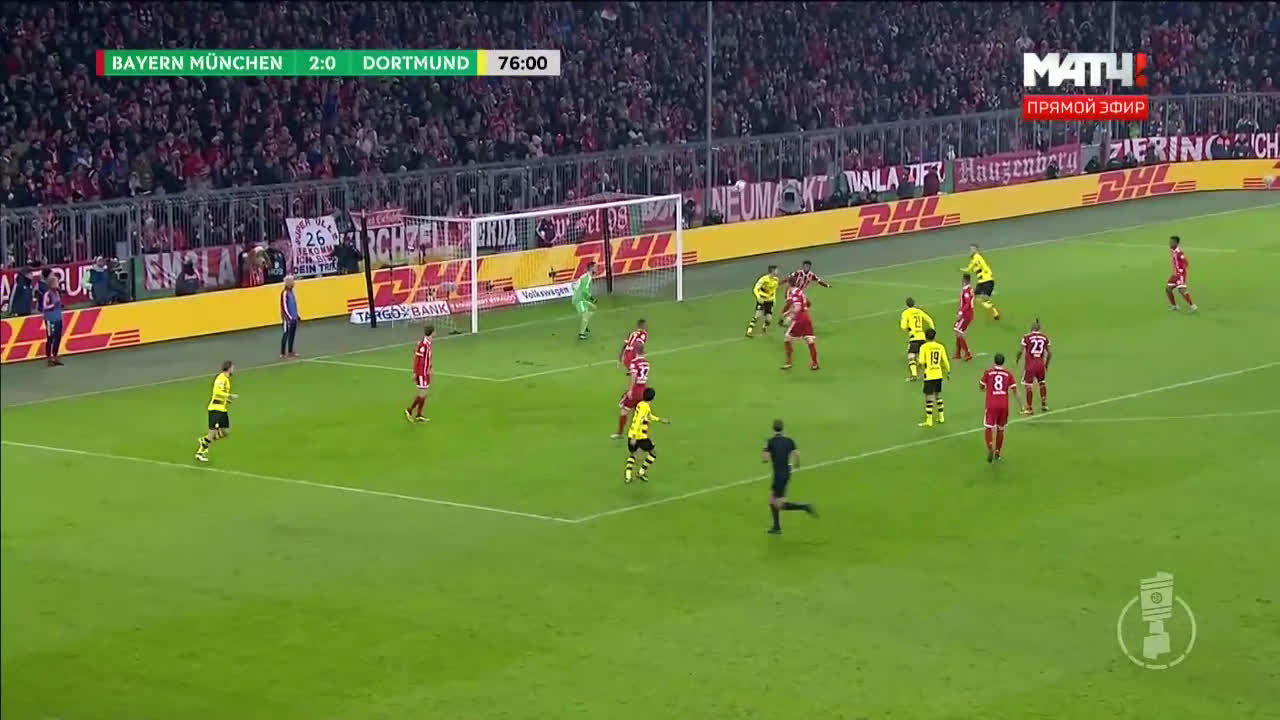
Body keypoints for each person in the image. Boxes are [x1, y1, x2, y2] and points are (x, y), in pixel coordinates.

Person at [763, 419, 816, 535]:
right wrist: (797, 464)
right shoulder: (789, 441)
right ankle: (776, 527)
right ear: (782, 428)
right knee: (771, 501)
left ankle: (804, 506)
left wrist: (765, 449)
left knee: (779, 504)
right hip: (786, 472)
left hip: (779, 476)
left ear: (773, 428)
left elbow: (765, 459)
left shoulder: (770, 441)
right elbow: (797, 453)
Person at [980, 353, 1022, 462]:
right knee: (1001, 429)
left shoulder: (988, 373)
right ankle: (998, 452)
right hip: (1004, 405)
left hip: (991, 404)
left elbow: (981, 386)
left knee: (988, 427)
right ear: (1003, 362)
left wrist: (986, 389)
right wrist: (1021, 405)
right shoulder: (1008, 374)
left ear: (994, 361)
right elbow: (1015, 391)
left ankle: (990, 446)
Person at [624, 387, 669, 483]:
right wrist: (634, 437)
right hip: (640, 436)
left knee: (633, 454)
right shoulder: (645, 407)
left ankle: (628, 476)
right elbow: (638, 420)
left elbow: (648, 416)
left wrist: (660, 420)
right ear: (653, 398)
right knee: (653, 453)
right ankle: (640, 473)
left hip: (631, 433)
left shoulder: (641, 404)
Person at [196, 361, 236, 462]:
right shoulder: (221, 378)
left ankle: (204, 440)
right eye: (232, 368)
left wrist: (227, 400)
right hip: (215, 409)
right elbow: (217, 392)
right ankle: (200, 453)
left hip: (222, 409)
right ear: (229, 368)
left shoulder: (226, 379)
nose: (233, 370)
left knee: (225, 432)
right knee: (212, 432)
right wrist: (229, 395)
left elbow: (221, 393)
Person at [780, 279, 819, 370]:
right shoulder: (800, 292)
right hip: (806, 317)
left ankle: (789, 362)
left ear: (788, 284)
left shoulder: (794, 294)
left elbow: (797, 307)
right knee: (809, 339)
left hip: (799, 319)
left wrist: (789, 316)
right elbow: (808, 303)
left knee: (787, 338)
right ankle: (815, 363)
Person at [613, 342, 650, 439]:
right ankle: (637, 432)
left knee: (624, 409)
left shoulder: (634, 363)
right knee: (638, 411)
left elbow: (634, 376)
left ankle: (620, 433)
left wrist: (630, 390)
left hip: (635, 390)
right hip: (644, 390)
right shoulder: (646, 363)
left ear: (635, 350)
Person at [1016, 319, 1052, 414]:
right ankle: (1044, 404)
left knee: (1028, 386)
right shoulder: (1045, 337)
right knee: (1042, 383)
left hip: (1030, 365)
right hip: (1040, 364)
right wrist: (1046, 364)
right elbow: (1050, 353)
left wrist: (1017, 358)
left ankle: (1029, 408)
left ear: (1031, 328)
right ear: (1039, 329)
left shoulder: (1026, 337)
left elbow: (1020, 351)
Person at [917, 328, 950, 427]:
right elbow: (945, 360)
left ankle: (929, 420)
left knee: (929, 397)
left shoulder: (924, 347)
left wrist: (919, 365)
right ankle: (941, 417)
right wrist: (948, 371)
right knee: (938, 395)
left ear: (925, 337)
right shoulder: (940, 346)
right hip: (938, 374)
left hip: (929, 374)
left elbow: (921, 361)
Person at [900, 297, 935, 381]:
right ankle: (928, 372)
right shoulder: (919, 311)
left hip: (914, 337)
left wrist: (908, 328)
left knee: (911, 356)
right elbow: (929, 319)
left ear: (906, 305)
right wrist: (932, 329)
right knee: (920, 355)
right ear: (914, 304)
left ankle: (914, 375)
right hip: (922, 337)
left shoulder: (906, 313)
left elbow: (903, 326)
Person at [962, 244, 1000, 320]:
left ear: (976, 250)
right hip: (981, 282)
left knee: (983, 300)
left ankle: (995, 312)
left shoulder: (977, 256)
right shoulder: (975, 260)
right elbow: (974, 268)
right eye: (970, 249)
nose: (971, 251)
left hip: (987, 281)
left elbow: (971, 266)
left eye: (973, 249)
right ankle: (968, 312)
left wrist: (966, 269)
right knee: (975, 297)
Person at [406, 324, 434, 423]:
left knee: (424, 394)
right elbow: (417, 359)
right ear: (433, 333)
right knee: (422, 394)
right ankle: (409, 411)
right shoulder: (423, 345)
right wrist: (415, 373)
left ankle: (419, 414)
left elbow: (427, 358)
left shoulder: (428, 343)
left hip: (426, 372)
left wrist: (430, 367)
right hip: (421, 373)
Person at [39, 269, 65, 366]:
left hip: (58, 318)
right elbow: (45, 306)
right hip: (50, 319)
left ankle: (55, 356)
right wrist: (54, 304)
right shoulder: (48, 294)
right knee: (50, 338)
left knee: (58, 337)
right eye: (56, 282)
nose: (58, 284)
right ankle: (49, 358)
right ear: (51, 284)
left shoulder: (57, 292)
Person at [746, 264, 780, 338]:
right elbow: (755, 288)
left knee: (769, 318)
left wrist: (774, 299)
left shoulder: (776, 280)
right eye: (776, 270)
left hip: (770, 301)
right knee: (757, 315)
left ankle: (764, 328)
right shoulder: (763, 279)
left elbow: (774, 290)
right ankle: (749, 331)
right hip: (762, 300)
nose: (777, 271)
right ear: (772, 271)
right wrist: (758, 297)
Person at [1165, 235, 1197, 312]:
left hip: (1180, 274)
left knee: (1181, 290)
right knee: (1168, 289)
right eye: (1170, 241)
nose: (1170, 243)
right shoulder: (1172, 250)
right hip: (1175, 274)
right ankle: (1174, 306)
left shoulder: (1179, 252)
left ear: (1176, 243)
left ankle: (1193, 306)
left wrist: (1181, 272)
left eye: (1172, 242)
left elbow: (1186, 262)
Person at [572, 260, 597, 340]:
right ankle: (581, 334)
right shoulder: (587, 277)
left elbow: (574, 286)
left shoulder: (585, 276)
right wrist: (592, 298)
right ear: (591, 268)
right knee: (586, 314)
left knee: (593, 308)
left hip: (582, 298)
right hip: (579, 299)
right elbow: (584, 290)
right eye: (595, 267)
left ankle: (584, 324)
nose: (597, 268)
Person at [953, 273, 975, 361]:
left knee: (958, 332)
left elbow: (967, 303)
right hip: (968, 314)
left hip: (966, 315)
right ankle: (958, 353)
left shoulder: (966, 291)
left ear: (964, 280)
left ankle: (967, 353)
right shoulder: (970, 289)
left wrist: (960, 312)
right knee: (957, 330)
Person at [279, 275, 300, 358]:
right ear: (288, 283)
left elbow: (294, 304)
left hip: (293, 317)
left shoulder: (292, 292)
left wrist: (296, 315)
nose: (294, 283)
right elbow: (284, 306)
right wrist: (289, 317)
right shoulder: (285, 293)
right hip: (287, 318)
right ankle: (282, 353)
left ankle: (290, 351)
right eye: (292, 281)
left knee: (292, 334)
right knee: (286, 333)